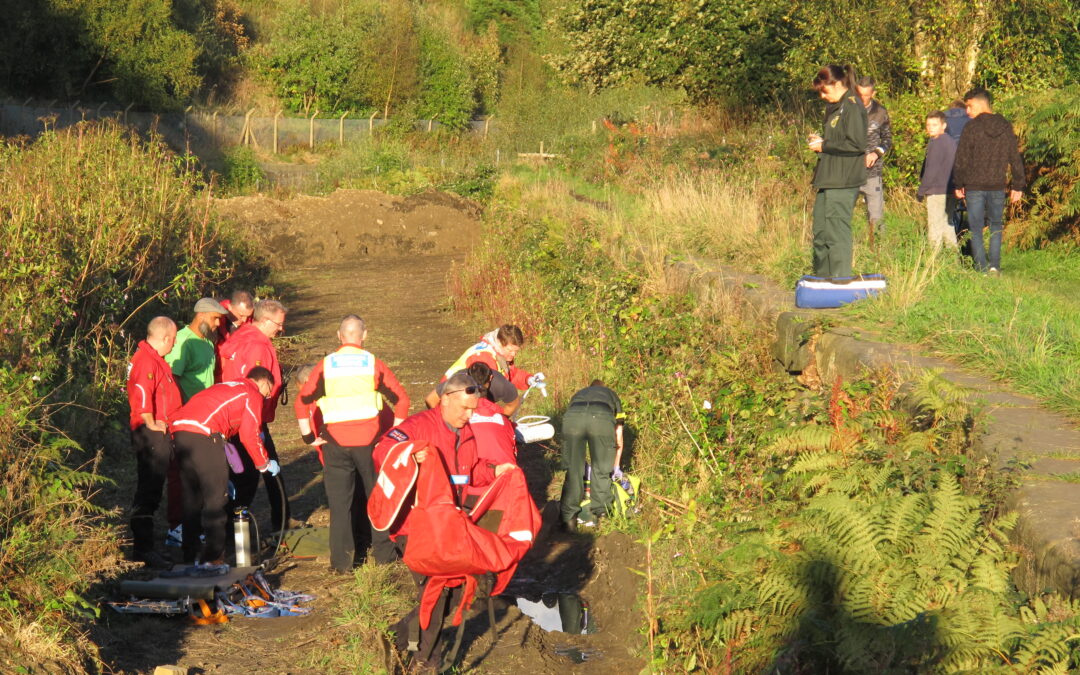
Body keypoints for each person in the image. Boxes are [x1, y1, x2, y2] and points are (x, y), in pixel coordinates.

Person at [372, 373, 517, 670]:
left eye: (473, 409)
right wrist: (412, 454)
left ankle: (397, 635)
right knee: (436, 593)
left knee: (456, 589)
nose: (469, 415)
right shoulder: (417, 426)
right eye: (464, 408)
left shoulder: (467, 433)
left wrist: (493, 470)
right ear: (446, 398)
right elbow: (383, 451)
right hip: (415, 525)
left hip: (449, 524)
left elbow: (471, 470)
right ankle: (428, 661)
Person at [294, 315, 410, 571]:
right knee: (377, 498)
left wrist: (309, 437)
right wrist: (395, 435)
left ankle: (342, 563)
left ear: (339, 335)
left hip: (335, 442)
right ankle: (384, 555)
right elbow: (402, 400)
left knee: (339, 504)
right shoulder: (372, 364)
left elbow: (302, 402)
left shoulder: (326, 366)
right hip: (370, 442)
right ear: (364, 335)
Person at [169, 369, 279, 571]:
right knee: (216, 498)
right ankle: (213, 559)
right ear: (263, 382)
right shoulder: (251, 393)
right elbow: (250, 435)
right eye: (269, 391)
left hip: (180, 431)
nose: (268, 397)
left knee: (192, 499)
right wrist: (264, 463)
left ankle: (189, 556)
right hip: (205, 433)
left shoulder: (227, 386)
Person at [219, 298, 290, 533]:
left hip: (239, 414)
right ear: (265, 320)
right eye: (278, 324)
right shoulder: (257, 346)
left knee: (247, 473)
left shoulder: (242, 336)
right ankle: (238, 524)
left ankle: (240, 522)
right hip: (250, 416)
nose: (281, 329)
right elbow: (254, 385)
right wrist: (256, 418)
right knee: (256, 472)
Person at [162, 297, 229, 547]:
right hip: (185, 420)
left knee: (203, 475)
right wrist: (177, 414)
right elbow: (173, 379)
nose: (216, 325)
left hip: (206, 420)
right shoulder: (183, 341)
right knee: (181, 475)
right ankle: (176, 527)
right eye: (214, 319)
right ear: (201, 316)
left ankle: (195, 525)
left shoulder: (207, 342)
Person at [125, 316, 181, 568]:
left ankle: (147, 545)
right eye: (174, 339)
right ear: (167, 338)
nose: (174, 344)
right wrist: (150, 421)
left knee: (154, 488)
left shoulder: (155, 359)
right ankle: (143, 548)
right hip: (150, 432)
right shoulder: (146, 360)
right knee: (148, 489)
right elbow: (141, 392)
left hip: (159, 430)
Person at [952, 87, 1026, 274]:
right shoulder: (1004, 126)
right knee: (995, 226)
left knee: (975, 228)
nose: (967, 111)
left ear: (978, 104)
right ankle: (994, 267)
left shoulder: (971, 127)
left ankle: (981, 268)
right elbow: (1014, 157)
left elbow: (962, 158)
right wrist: (1018, 184)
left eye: (969, 106)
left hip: (974, 186)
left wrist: (958, 184)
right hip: (997, 186)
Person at [808, 65, 868, 278]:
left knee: (836, 232)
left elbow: (856, 145)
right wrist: (822, 143)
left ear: (836, 84)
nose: (822, 96)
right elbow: (837, 140)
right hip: (828, 178)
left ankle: (841, 280)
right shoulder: (835, 107)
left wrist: (825, 146)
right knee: (821, 232)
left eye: (824, 91)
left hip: (844, 180)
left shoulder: (852, 106)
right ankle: (822, 278)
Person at [559, 380, 625, 531]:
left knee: (573, 468)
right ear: (604, 388)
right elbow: (618, 434)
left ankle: (568, 520)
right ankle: (602, 516)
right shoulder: (611, 395)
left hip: (572, 419)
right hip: (601, 418)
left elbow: (571, 414)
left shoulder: (579, 394)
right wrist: (615, 465)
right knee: (601, 467)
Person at [443, 324, 540, 393]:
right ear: (499, 343)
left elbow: (511, 376)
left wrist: (528, 379)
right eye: (510, 350)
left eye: (516, 351)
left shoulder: (501, 354)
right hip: (450, 393)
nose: (513, 354)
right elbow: (482, 393)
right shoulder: (485, 358)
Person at [854, 77, 893, 244]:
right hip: (850, 171)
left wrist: (876, 153)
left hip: (873, 172)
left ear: (873, 93)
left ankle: (878, 252)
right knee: (844, 214)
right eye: (860, 94)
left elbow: (888, 140)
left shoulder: (880, 112)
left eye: (866, 95)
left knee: (876, 215)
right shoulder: (848, 109)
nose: (863, 99)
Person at [917, 111, 958, 250]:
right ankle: (953, 259)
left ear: (944, 125)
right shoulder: (951, 141)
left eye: (934, 125)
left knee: (934, 225)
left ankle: (933, 260)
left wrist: (921, 191)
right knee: (948, 223)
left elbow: (931, 170)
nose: (930, 128)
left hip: (936, 190)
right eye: (928, 125)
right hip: (951, 189)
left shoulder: (937, 142)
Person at [425, 360, 520, 416]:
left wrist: (501, 419)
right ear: (466, 376)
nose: (478, 393)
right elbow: (431, 399)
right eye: (472, 390)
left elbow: (513, 403)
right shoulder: (458, 380)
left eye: (482, 390)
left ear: (491, 378)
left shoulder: (501, 385)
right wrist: (443, 420)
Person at [943, 99, 972, 240]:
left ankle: (952, 233)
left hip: (949, 172)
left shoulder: (942, 120)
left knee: (948, 208)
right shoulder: (972, 120)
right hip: (971, 170)